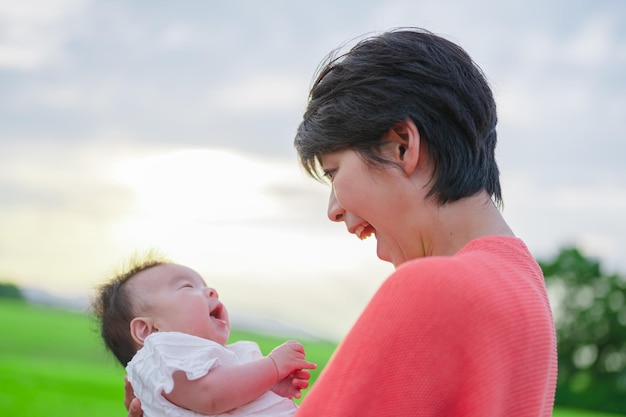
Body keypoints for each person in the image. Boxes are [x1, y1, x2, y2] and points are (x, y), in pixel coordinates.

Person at [127, 26, 557, 417]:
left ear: (401, 147)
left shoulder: (435, 288)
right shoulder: (525, 288)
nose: (333, 208)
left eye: (333, 172)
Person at [94, 254, 316, 417]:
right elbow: (210, 396)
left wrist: (268, 386)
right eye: (187, 287)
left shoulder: (220, 358)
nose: (211, 292)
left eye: (206, 286)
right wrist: (272, 367)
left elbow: (229, 396)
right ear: (149, 331)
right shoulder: (161, 355)